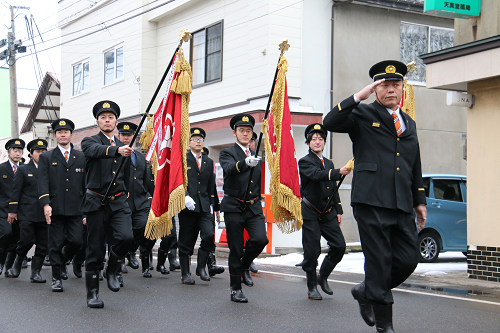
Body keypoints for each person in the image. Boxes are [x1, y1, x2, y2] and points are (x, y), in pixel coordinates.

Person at [323, 60, 427, 333]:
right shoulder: (362, 114)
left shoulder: (409, 122)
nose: (391, 90)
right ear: (376, 88)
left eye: (396, 85)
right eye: (384, 85)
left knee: (407, 259)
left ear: (403, 88)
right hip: (371, 200)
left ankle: (366, 290)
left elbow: (414, 163)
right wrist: (360, 95)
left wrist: (419, 201)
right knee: (379, 261)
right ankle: (385, 327)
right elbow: (330, 121)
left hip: (401, 202)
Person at [80, 101, 134, 308]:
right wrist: (116, 151)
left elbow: (126, 174)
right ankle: (92, 293)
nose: (107, 120)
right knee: (94, 248)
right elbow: (93, 151)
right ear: (98, 122)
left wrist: (127, 193)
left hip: (118, 201)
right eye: (103, 117)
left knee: (127, 237)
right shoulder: (89, 141)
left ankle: (112, 268)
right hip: (96, 202)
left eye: (110, 117)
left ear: (116, 121)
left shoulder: (124, 147)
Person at [219, 114, 268, 303]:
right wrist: (244, 163)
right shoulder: (227, 153)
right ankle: (235, 289)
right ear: (234, 133)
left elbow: (257, 183)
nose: (245, 134)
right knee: (236, 249)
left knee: (260, 239)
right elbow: (229, 168)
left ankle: (245, 265)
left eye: (248, 131)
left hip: (253, 207)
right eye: (241, 131)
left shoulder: (256, 156)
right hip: (234, 206)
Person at [298, 124, 350, 300]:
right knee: (312, 251)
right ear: (308, 142)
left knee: (339, 246)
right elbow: (316, 175)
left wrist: (339, 210)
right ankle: (311, 286)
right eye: (314, 139)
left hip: (328, 212)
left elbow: (332, 188)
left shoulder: (328, 162)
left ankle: (323, 276)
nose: (317, 142)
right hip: (311, 211)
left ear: (324, 142)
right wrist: (337, 172)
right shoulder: (304, 161)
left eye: (321, 139)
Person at [38, 119, 86, 292]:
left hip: (76, 208)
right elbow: (42, 181)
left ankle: (62, 260)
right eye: (59, 132)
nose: (63, 134)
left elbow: (85, 184)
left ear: (71, 134)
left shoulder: (80, 157)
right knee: (55, 244)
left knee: (76, 241)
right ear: (55, 135)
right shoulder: (46, 157)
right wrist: (45, 204)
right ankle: (56, 278)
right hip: (55, 207)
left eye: (66, 132)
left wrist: (86, 210)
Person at [177, 127, 219, 284]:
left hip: (204, 207)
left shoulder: (208, 161)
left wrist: (213, 205)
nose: (198, 142)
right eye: (195, 139)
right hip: (187, 207)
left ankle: (201, 267)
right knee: (186, 240)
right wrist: (185, 196)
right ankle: (185, 273)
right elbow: (178, 181)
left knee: (208, 235)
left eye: (200, 139)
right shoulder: (182, 159)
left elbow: (210, 185)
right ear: (189, 142)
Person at [117, 122, 156, 278]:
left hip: (140, 200)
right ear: (118, 136)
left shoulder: (140, 157)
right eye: (123, 135)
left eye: (129, 135)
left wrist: (150, 197)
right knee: (123, 234)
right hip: (122, 201)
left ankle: (131, 251)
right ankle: (119, 259)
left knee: (143, 226)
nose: (126, 138)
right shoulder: (115, 154)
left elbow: (145, 179)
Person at [6, 139, 48, 283]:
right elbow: (15, 191)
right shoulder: (23, 169)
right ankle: (18, 262)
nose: (41, 155)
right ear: (31, 154)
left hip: (44, 213)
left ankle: (35, 272)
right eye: (38, 152)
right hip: (27, 212)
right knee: (26, 241)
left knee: (43, 244)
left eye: (44, 152)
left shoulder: (50, 169)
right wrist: (12, 211)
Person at [0, 139, 25, 277]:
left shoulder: (24, 168)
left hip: (20, 211)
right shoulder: (2, 168)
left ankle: (9, 267)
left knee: (17, 238)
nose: (17, 153)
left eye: (20, 151)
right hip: (3, 210)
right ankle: (1, 262)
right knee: (6, 233)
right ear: (8, 152)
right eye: (15, 150)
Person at [201, 147, 224, 277]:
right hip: (193, 209)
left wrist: (217, 210)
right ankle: (186, 267)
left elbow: (213, 192)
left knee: (209, 237)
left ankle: (211, 265)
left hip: (208, 209)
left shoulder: (211, 173)